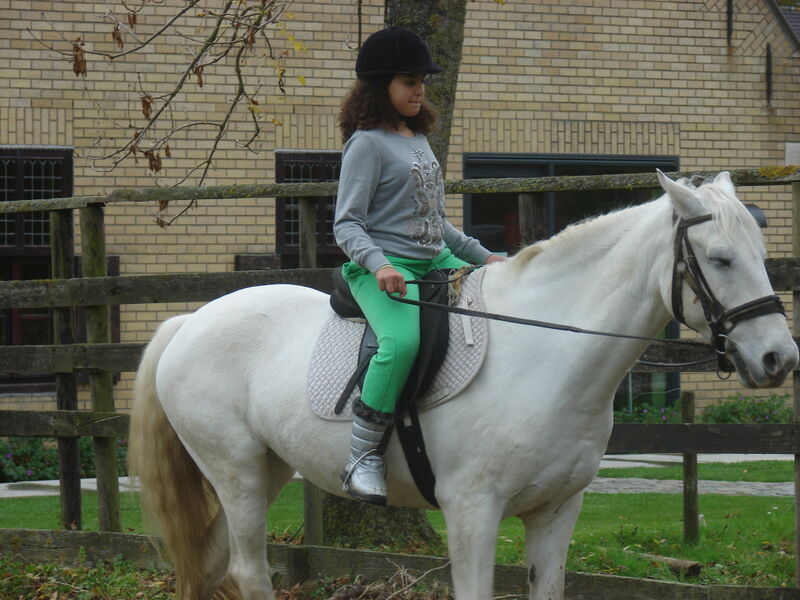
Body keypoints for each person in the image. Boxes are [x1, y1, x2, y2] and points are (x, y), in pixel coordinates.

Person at [334, 27, 505, 506]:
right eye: (409, 82)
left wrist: (484, 257)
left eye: (422, 82)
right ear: (380, 86)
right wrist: (379, 265)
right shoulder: (366, 144)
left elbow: (436, 222)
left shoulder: (418, 138)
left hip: (436, 258)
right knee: (401, 343)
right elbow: (347, 225)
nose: (419, 91)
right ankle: (362, 457)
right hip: (386, 268)